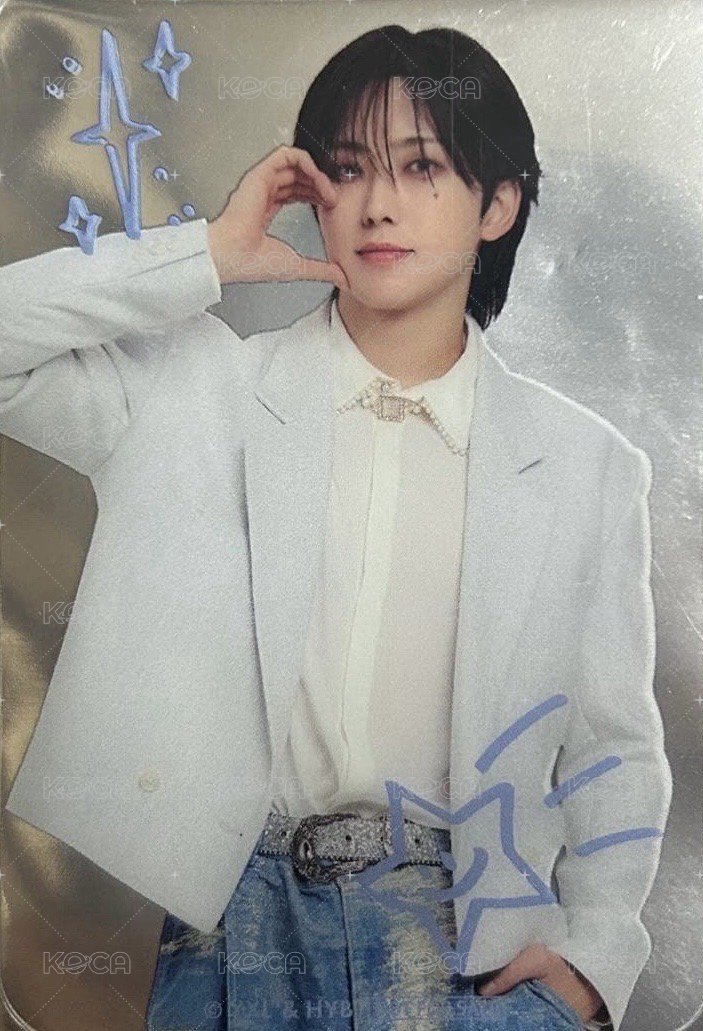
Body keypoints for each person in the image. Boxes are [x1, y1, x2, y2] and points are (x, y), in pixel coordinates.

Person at [1, 24, 671, 1031]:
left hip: (473, 946)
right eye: (348, 169)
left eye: (421, 166)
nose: (376, 204)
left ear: (497, 204)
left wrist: (594, 959)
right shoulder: (201, 393)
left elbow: (612, 750)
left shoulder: (586, 466)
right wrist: (205, 253)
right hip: (235, 933)